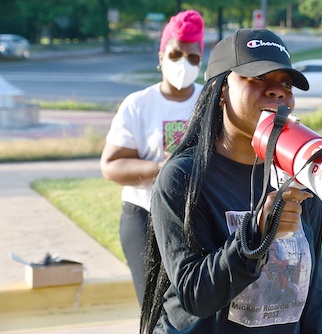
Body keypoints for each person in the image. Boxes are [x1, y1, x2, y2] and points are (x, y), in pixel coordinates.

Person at [141, 28, 322, 333]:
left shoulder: (298, 178)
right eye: (258, 77)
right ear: (221, 90)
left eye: (286, 83)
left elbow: (314, 295)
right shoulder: (183, 178)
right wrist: (258, 231)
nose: (277, 91)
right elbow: (196, 295)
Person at [100, 10, 205, 306]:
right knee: (157, 308)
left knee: (196, 307)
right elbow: (111, 165)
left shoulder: (211, 101)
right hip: (144, 216)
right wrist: (163, 169)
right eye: (175, 54)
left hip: (197, 217)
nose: (183, 63)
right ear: (160, 56)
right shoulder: (138, 104)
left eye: (192, 57)